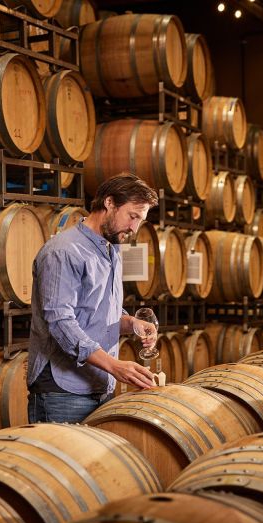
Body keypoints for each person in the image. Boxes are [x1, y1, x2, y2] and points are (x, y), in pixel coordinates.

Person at [27, 173, 160, 423]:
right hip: (62, 392)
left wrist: (131, 323)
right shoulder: (64, 251)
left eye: (140, 221)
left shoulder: (110, 250)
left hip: (99, 387)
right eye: (132, 216)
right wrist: (114, 365)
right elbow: (60, 322)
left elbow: (96, 314)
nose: (134, 229)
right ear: (109, 203)